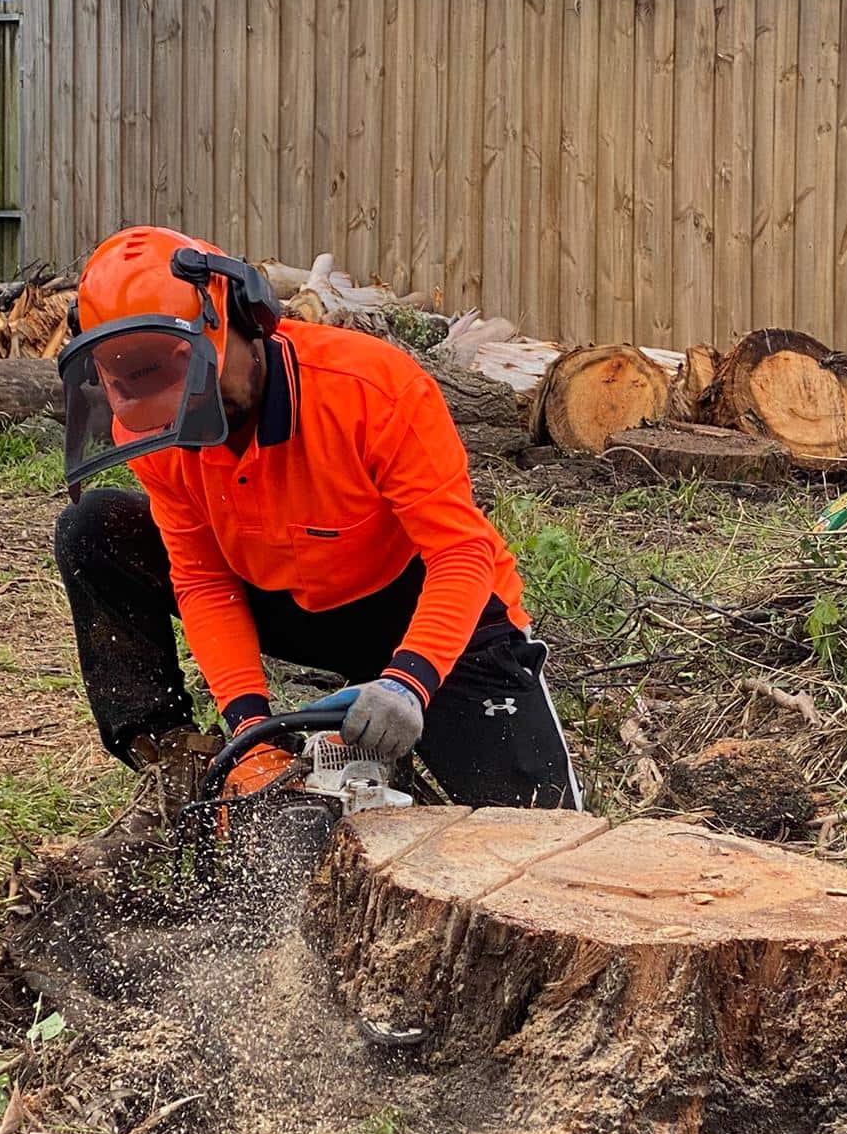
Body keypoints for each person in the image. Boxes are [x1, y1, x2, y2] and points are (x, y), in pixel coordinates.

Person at [54, 225, 581, 860]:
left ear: (241, 320)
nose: (184, 423)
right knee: (95, 530)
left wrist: (410, 679)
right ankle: (176, 763)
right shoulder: (156, 426)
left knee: (540, 836)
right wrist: (250, 730)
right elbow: (202, 580)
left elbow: (460, 553)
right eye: (150, 394)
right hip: (283, 594)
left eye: (194, 386)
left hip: (422, 598)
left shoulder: (370, 389)